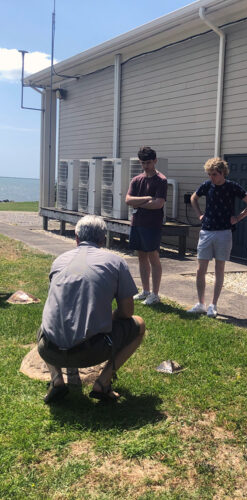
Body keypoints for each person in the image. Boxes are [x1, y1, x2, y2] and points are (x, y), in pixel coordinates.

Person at [37, 215, 146, 404]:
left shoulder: (59, 261)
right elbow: (127, 312)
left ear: (76, 237)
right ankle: (103, 383)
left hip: (49, 349)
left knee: (45, 324)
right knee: (139, 325)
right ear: (103, 240)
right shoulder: (116, 262)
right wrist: (110, 317)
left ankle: (56, 379)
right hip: (91, 352)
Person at [188, 157, 247, 318]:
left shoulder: (232, 187)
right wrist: (199, 215)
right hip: (207, 230)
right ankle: (200, 303)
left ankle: (214, 304)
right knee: (200, 269)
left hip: (224, 232)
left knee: (219, 269)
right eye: (210, 174)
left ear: (222, 173)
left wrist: (238, 218)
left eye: (214, 174)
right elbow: (193, 198)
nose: (212, 177)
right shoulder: (207, 185)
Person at [125, 146, 168, 305]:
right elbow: (128, 200)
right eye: (143, 163)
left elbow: (158, 204)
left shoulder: (161, 180)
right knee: (141, 256)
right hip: (137, 223)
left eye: (148, 162)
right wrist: (147, 199)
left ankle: (155, 294)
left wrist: (138, 203)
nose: (146, 166)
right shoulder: (136, 180)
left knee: (153, 257)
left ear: (155, 161)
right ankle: (145, 290)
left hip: (152, 225)